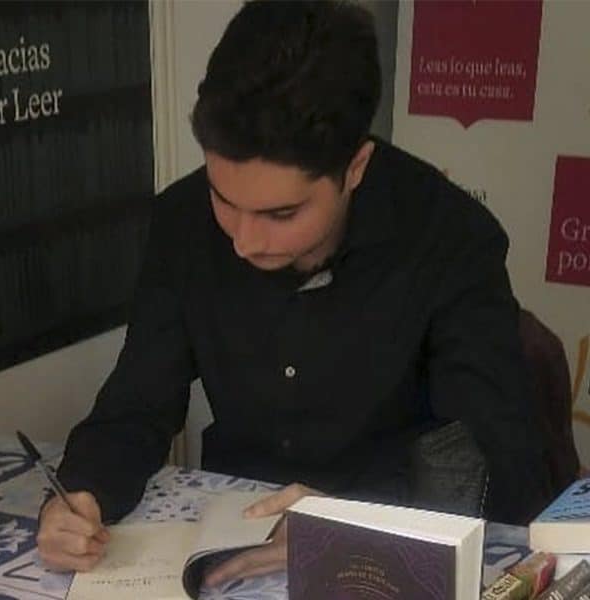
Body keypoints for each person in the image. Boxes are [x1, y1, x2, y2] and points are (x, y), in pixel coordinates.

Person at [37, 0, 549, 585]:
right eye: (223, 199)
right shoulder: (181, 223)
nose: (244, 242)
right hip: (231, 539)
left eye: (281, 213)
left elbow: (493, 458)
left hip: (382, 543)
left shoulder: (449, 236)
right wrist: (80, 494)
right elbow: (137, 401)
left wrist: (343, 518)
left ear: (354, 168)